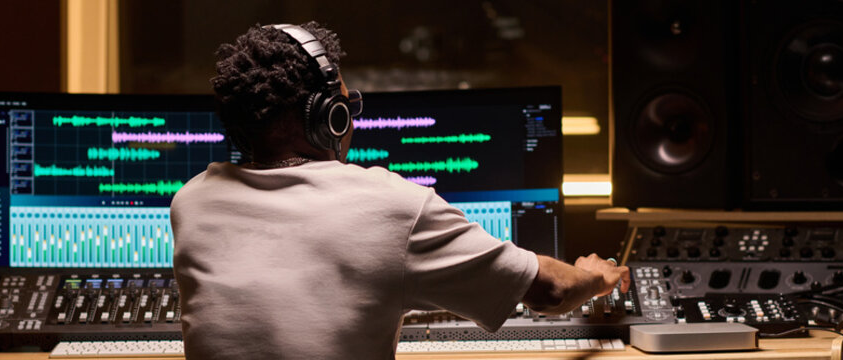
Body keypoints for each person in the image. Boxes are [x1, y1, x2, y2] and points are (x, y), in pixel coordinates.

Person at [170, 21, 631, 359]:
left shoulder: (191, 202)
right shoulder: (392, 206)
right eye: (347, 105)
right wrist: (595, 275)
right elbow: (550, 290)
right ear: (329, 116)